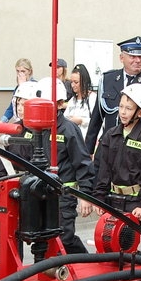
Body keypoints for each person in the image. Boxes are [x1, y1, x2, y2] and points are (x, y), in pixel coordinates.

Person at [35, 77, 94, 255]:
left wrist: (85, 196)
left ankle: (85, 263)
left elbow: (83, 163)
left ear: (59, 104)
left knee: (64, 238)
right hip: (42, 194)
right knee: (46, 239)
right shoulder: (37, 129)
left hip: (64, 196)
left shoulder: (68, 130)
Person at [85, 36, 141, 155]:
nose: (138, 60)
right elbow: (96, 118)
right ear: (121, 58)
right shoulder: (107, 79)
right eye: (132, 56)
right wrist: (88, 151)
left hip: (136, 151)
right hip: (108, 148)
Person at [92, 83, 141, 223]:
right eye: (121, 106)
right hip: (111, 199)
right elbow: (104, 169)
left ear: (140, 113)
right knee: (108, 242)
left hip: (134, 203)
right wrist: (99, 196)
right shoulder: (110, 135)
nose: (122, 112)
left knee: (127, 242)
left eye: (128, 108)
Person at [63, 64, 96, 140]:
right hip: (74, 141)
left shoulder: (92, 98)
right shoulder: (72, 100)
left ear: (84, 82)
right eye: (71, 82)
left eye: (76, 82)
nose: (73, 85)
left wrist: (81, 120)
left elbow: (97, 122)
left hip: (87, 141)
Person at [0, 58, 35, 123]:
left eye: (23, 71)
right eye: (18, 71)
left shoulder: (35, 86)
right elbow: (11, 108)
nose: (20, 74)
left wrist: (23, 86)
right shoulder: (17, 88)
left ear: (29, 71)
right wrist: (2, 121)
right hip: (19, 123)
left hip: (29, 125)